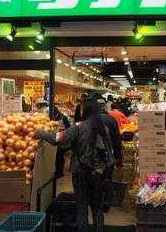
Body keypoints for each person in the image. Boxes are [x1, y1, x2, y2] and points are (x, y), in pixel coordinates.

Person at [35, 99, 120, 232]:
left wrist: (40, 133)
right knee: (97, 209)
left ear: (85, 110)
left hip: (81, 173)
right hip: (99, 173)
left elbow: (56, 139)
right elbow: (110, 150)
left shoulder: (78, 126)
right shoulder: (103, 127)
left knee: (82, 209)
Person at [53, 106, 71, 178]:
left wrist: (62, 130)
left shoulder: (63, 118)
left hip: (62, 139)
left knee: (59, 156)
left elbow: (68, 128)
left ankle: (59, 172)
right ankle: (58, 171)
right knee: (58, 156)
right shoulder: (54, 117)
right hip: (57, 138)